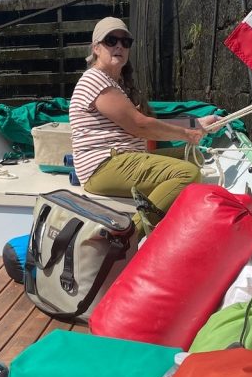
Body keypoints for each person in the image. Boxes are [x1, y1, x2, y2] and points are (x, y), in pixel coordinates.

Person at [69, 17, 221, 235]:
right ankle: (131, 236)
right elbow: (139, 126)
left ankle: (168, 212)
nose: (119, 46)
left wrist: (196, 123)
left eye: (125, 42)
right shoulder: (95, 79)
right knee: (188, 173)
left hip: (122, 157)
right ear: (96, 48)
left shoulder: (114, 83)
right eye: (111, 40)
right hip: (103, 166)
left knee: (192, 156)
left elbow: (149, 125)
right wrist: (187, 134)